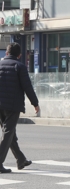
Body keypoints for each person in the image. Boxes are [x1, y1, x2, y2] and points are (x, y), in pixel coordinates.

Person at [0, 43, 40, 173]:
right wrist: (35, 103)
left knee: (10, 134)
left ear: (6, 53)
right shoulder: (20, 66)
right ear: (19, 55)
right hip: (12, 105)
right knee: (8, 133)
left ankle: (21, 159)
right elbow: (27, 87)